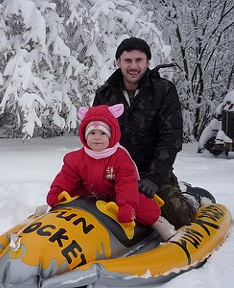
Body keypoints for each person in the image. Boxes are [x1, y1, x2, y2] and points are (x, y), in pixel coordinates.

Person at [92, 37, 196, 229]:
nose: (133, 66)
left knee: (179, 217)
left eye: (139, 60)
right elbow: (95, 137)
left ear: (148, 62)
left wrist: (154, 178)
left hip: (152, 171)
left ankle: (190, 197)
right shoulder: (104, 94)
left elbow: (171, 138)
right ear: (118, 62)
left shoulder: (163, 90)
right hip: (114, 172)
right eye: (128, 60)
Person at [46, 104, 176, 241]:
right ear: (84, 135)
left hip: (115, 196)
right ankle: (50, 212)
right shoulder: (76, 158)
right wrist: (57, 191)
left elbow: (126, 184)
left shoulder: (120, 158)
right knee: (66, 199)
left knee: (141, 205)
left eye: (103, 133)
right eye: (92, 133)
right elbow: (67, 178)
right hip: (89, 195)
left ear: (111, 135)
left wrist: (126, 205)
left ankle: (159, 222)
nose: (97, 138)